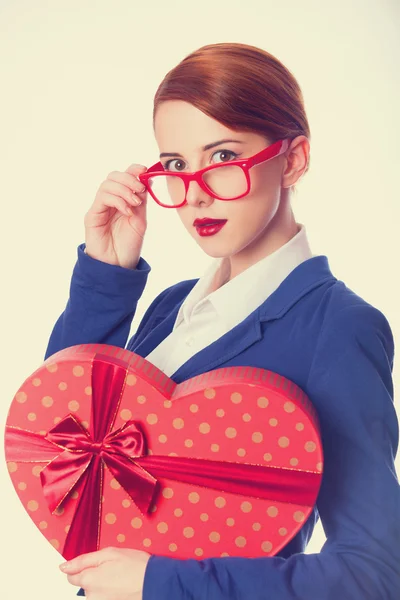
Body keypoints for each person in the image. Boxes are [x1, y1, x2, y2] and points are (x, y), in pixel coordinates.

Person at [45, 42, 400, 600]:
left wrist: (158, 582)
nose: (196, 195)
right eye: (178, 165)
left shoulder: (337, 327)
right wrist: (107, 273)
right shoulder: (173, 305)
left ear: (294, 159)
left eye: (224, 157)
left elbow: (373, 574)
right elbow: (63, 445)